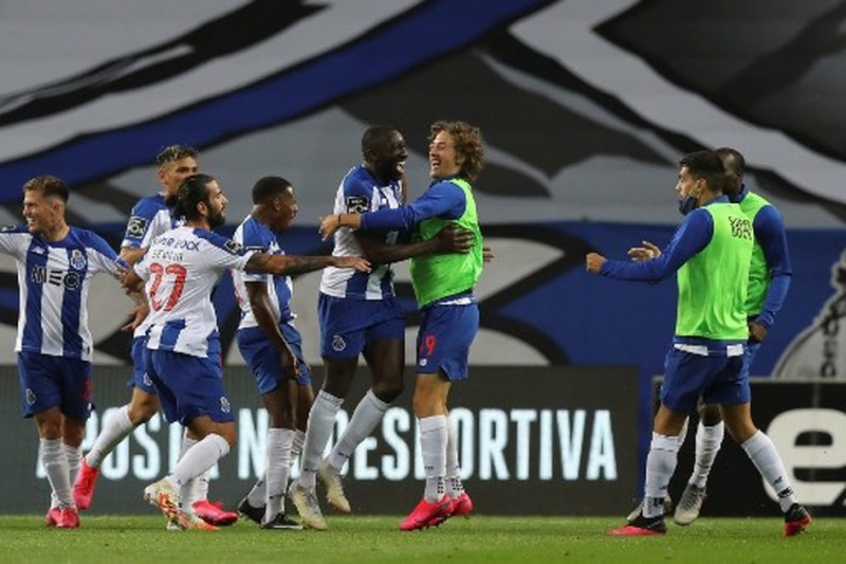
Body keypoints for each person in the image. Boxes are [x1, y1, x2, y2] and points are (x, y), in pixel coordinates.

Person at [122, 174, 369, 530]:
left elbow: (132, 276)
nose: (225, 200)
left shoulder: (163, 242)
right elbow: (272, 266)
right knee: (224, 436)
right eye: (218, 196)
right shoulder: (210, 243)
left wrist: (147, 304)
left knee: (197, 430)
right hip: (186, 349)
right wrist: (332, 261)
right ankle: (170, 486)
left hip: (154, 347)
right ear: (203, 206)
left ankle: (181, 516)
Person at [586, 150, 810, 537]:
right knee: (744, 427)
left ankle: (651, 513)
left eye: (683, 179)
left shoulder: (701, 218)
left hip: (699, 341)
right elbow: (709, 268)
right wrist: (667, 257)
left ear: (701, 183)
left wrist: (604, 266)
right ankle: (792, 506)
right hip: (734, 341)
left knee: (666, 422)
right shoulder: (741, 221)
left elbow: (658, 272)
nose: (679, 187)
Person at [287, 126, 476, 531]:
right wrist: (434, 246)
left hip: (383, 295)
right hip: (347, 295)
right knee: (336, 385)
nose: (404, 156)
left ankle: (333, 464)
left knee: (390, 383)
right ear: (373, 155)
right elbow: (373, 251)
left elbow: (406, 226)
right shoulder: (357, 185)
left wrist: (467, 243)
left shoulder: (397, 180)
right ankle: (302, 483)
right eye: (395, 151)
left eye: (404, 148)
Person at [72, 145, 238, 527]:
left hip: (192, 328)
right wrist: (149, 296)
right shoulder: (151, 211)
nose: (188, 175)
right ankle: (91, 463)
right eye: (181, 170)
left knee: (199, 413)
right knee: (143, 410)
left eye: (193, 169)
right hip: (158, 326)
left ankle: (195, 500)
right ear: (163, 177)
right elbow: (125, 262)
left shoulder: (202, 213)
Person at [0, 175, 129, 528]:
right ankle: (68, 509)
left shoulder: (87, 245)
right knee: (50, 426)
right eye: (24, 205)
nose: (25, 211)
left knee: (75, 433)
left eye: (31, 205)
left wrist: (145, 304)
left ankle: (58, 504)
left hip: (76, 355)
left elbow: (128, 276)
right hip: (34, 351)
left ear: (55, 207)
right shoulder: (22, 242)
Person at [230, 176, 344, 530]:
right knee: (283, 419)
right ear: (276, 203)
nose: (296, 209)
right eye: (292, 202)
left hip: (281, 331)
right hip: (266, 333)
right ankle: (273, 510)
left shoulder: (266, 236)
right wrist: (280, 346)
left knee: (303, 416)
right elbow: (257, 298)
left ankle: (256, 500)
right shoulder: (252, 236)